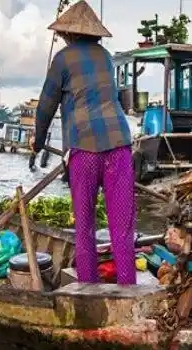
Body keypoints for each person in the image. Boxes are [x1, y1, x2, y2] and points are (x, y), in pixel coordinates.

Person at [30, 0, 136, 285]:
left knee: (85, 228)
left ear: (69, 34)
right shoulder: (107, 57)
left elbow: (45, 106)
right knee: (122, 228)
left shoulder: (63, 59)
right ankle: (128, 289)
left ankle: (88, 287)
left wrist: (38, 142)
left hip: (84, 150)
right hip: (119, 147)